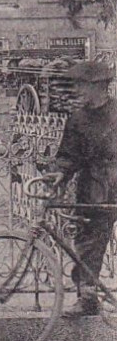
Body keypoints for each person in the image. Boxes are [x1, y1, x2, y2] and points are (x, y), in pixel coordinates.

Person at [54, 60, 117, 316]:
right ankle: (88, 298)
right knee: (88, 244)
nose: (77, 90)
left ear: (99, 86)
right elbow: (69, 155)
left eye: (82, 84)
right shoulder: (77, 119)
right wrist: (59, 173)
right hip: (93, 188)